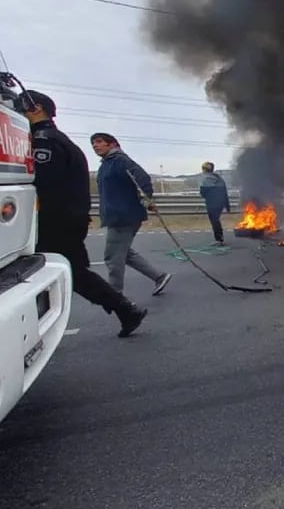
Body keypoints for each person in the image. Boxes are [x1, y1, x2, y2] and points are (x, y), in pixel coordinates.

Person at [21, 91, 147, 337]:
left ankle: (125, 309)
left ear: (36, 109)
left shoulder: (45, 142)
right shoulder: (59, 140)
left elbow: (43, 185)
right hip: (67, 219)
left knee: (65, 273)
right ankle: (125, 309)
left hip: (55, 222)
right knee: (72, 273)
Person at [91, 133, 173, 295]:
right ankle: (159, 277)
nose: (95, 146)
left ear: (112, 144)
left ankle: (115, 296)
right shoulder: (106, 164)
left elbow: (142, 179)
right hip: (117, 215)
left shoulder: (121, 161)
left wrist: (147, 199)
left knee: (113, 257)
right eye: (93, 143)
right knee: (125, 253)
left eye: (99, 142)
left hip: (124, 216)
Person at [199, 161, 231, 245]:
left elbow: (202, 193)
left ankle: (219, 239)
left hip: (212, 203)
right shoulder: (219, 178)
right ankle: (220, 238)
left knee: (214, 220)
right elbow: (225, 192)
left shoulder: (205, 179)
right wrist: (227, 206)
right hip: (221, 203)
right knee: (216, 220)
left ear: (204, 169)